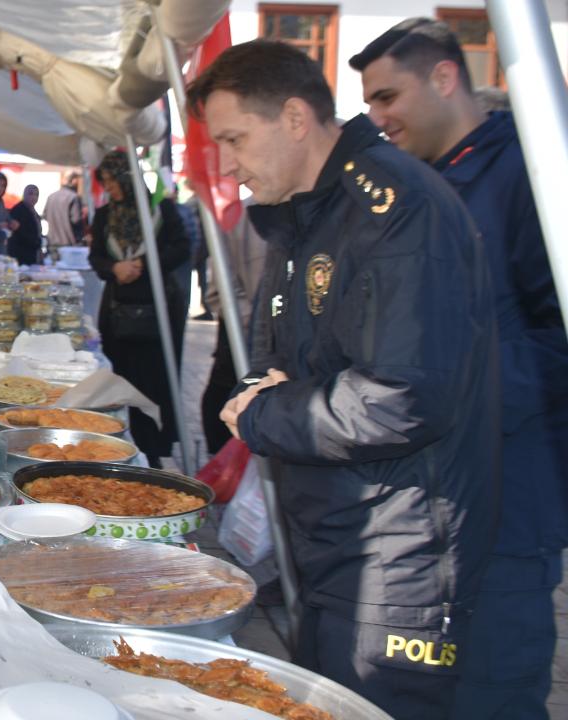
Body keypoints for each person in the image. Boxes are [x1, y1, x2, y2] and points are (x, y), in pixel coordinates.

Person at [190, 40, 499, 719]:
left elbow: (404, 396)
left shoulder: (395, 209)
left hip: (398, 549)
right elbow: (274, 354)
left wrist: (264, 415)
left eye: (236, 139)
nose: (229, 165)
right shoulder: (306, 213)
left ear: (296, 118)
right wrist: (257, 391)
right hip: (334, 530)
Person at [352, 20, 568, 718]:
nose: (379, 118)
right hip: (427, 502)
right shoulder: (418, 186)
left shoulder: (535, 172)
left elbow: (555, 339)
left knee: (492, 693)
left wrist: (442, 383)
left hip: (509, 499)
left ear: (445, 77)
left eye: (389, 96)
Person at [88, 150, 189, 465]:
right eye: (105, 182)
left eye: (114, 181)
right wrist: (114, 268)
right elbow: (95, 257)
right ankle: (117, 443)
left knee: (153, 382)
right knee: (121, 378)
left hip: (156, 311)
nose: (111, 188)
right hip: (118, 311)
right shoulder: (105, 216)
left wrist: (144, 264)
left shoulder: (160, 210)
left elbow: (183, 247)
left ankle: (152, 451)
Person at [198, 199, 267, 456]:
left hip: (252, 341)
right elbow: (220, 290)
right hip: (243, 339)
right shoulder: (241, 216)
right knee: (228, 404)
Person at [44, 171, 85, 255]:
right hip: (69, 245)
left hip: (52, 244)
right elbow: (76, 220)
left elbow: (45, 216)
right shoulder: (74, 197)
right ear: (73, 180)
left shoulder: (51, 197)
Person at [6, 184, 42, 266]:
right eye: (31, 194)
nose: (34, 197)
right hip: (21, 256)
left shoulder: (33, 211)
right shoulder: (18, 210)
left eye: (36, 195)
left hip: (31, 254)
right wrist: (36, 242)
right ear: (24, 195)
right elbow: (20, 232)